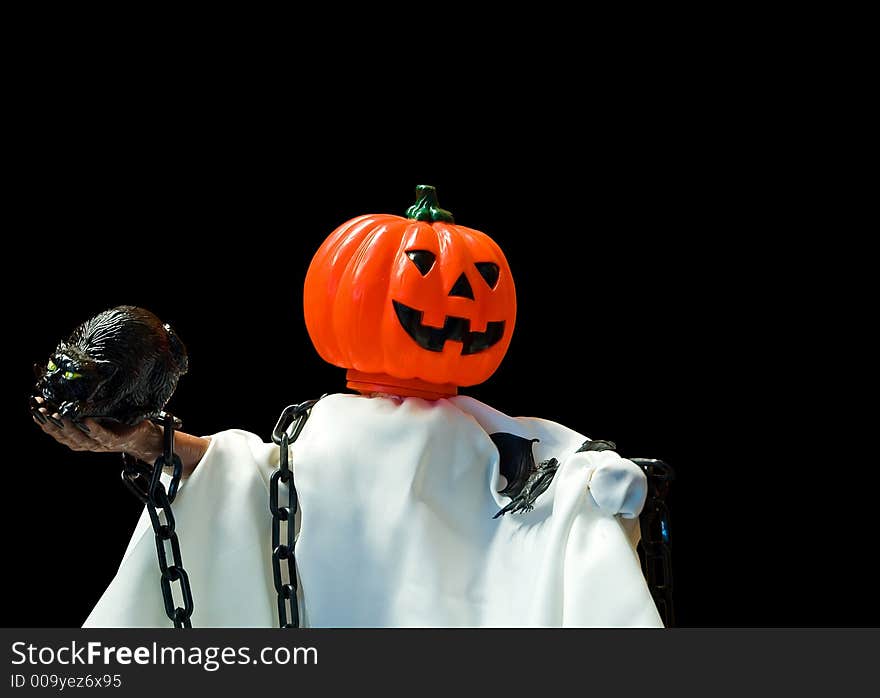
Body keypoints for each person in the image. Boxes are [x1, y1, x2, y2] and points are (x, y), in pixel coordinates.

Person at [32, 186, 662, 628]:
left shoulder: (485, 435)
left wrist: (599, 482)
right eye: (420, 271)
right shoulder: (323, 431)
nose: (460, 299)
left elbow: (558, 479)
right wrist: (148, 442)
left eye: (482, 284)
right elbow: (256, 479)